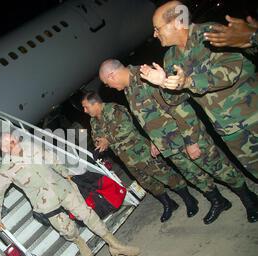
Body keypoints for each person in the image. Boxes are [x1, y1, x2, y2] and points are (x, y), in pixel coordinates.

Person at [100, 60, 257, 224]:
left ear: (112, 75)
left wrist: (191, 141)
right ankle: (219, 201)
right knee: (194, 175)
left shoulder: (146, 76)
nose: (108, 86)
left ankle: (250, 200)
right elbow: (149, 117)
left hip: (185, 136)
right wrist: (155, 141)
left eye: (106, 83)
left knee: (218, 167)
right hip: (168, 144)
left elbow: (181, 108)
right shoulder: (129, 88)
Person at [140, 1, 258, 180]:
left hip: (253, 116)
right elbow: (175, 99)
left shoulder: (211, 33)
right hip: (228, 129)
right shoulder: (170, 58)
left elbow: (230, 72)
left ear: (177, 23)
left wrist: (188, 81)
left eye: (157, 28)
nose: (155, 34)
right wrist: (163, 82)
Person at [0, 132, 140, 256]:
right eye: (8, 141)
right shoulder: (5, 169)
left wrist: (65, 173)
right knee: (67, 230)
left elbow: (52, 159)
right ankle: (78, 241)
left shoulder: (30, 146)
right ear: (3, 148)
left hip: (64, 188)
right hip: (47, 204)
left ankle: (114, 244)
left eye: (12, 137)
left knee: (88, 215)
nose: (13, 141)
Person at [82, 91, 195, 223]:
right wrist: (99, 143)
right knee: (147, 182)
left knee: (165, 175)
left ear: (95, 104)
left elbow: (127, 127)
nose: (84, 110)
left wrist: (107, 139)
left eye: (86, 107)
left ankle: (190, 199)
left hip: (141, 152)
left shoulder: (115, 109)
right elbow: (97, 138)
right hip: (126, 158)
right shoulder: (93, 121)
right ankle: (169, 204)